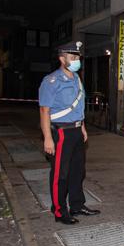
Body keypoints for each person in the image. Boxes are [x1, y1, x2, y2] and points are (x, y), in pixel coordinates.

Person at [38, 41, 100, 225]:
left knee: (77, 172)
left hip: (76, 130)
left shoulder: (76, 79)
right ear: (62, 58)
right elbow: (44, 111)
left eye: (77, 57)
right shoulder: (51, 81)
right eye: (72, 57)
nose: (76, 60)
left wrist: (82, 127)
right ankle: (59, 211)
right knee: (60, 174)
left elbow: (78, 105)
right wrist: (48, 138)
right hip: (61, 133)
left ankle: (77, 205)